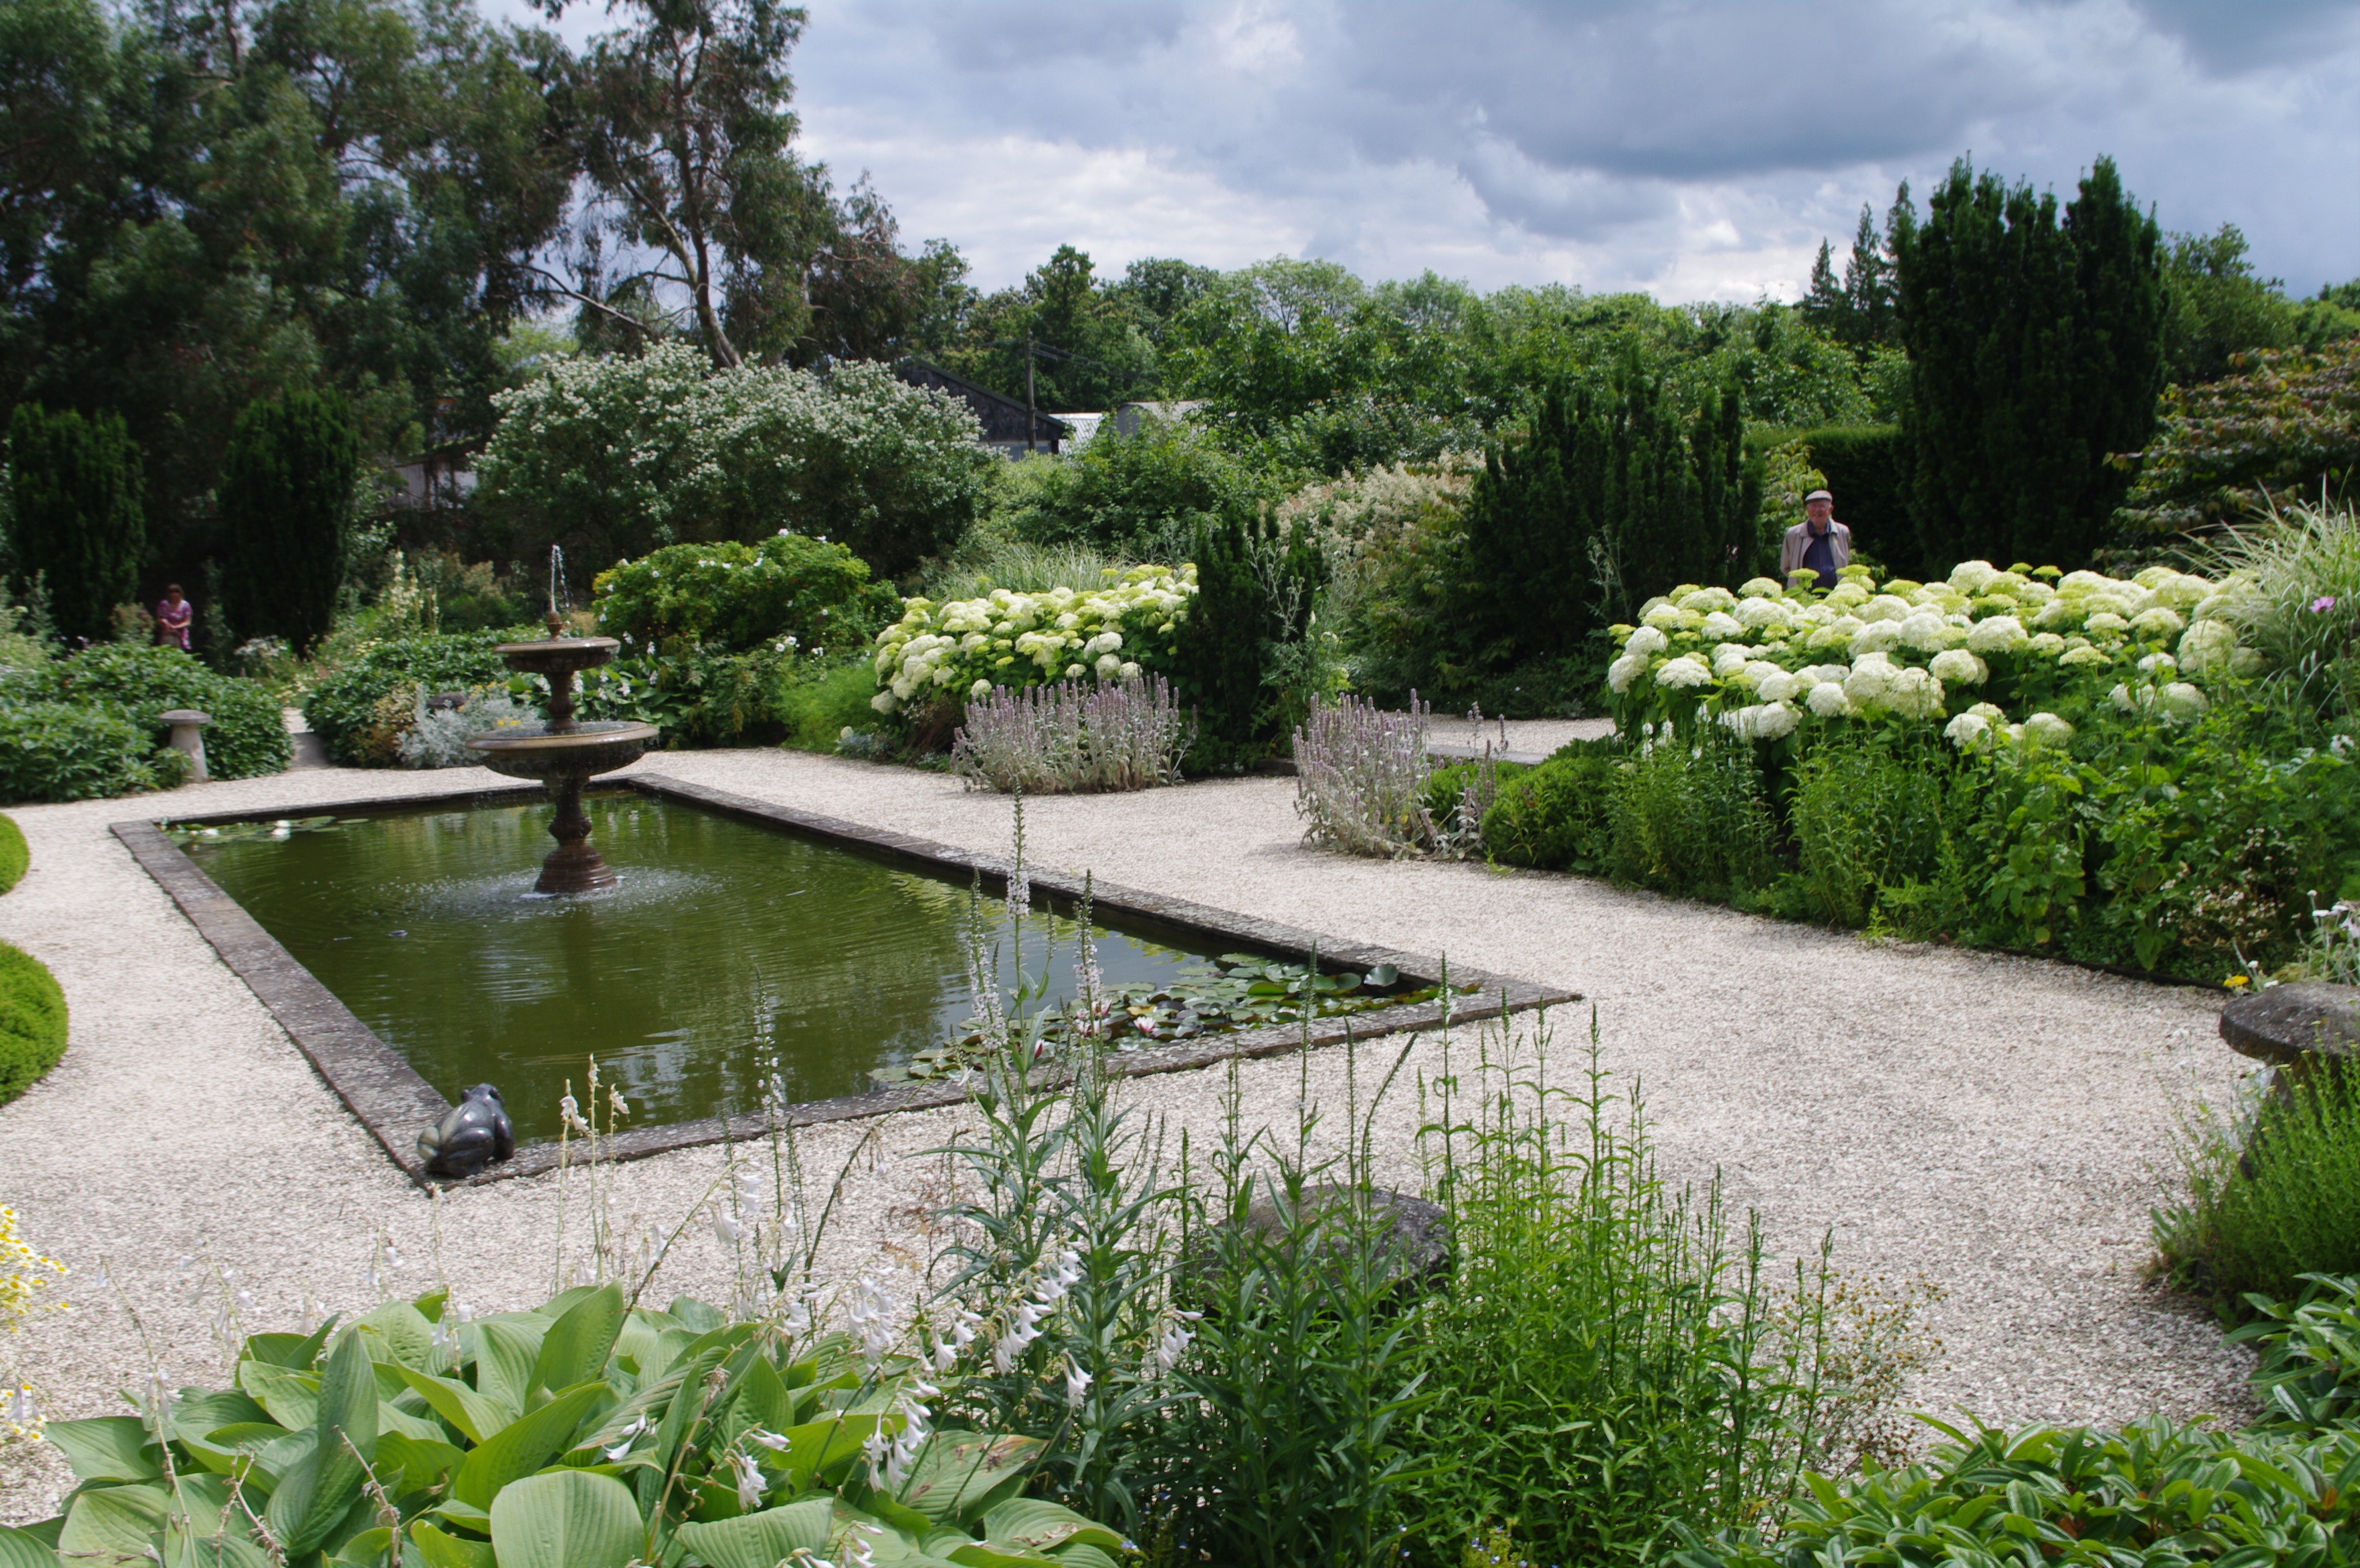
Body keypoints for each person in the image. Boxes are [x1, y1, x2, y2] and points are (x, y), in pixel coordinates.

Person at [1780, 488, 1851, 593]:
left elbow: (1845, 562)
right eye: (1813, 506)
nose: (1817, 510)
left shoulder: (1842, 532)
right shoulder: (1794, 534)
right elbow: (1785, 567)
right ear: (1808, 510)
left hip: (1836, 596)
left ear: (1830, 510)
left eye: (1822, 506)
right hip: (1804, 598)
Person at [155, 584, 194, 651]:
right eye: (171, 592)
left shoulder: (185, 606)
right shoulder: (163, 604)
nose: (174, 594)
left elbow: (188, 622)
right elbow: (158, 619)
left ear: (180, 593)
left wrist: (175, 627)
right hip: (166, 635)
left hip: (180, 636)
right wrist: (163, 621)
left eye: (177, 591)